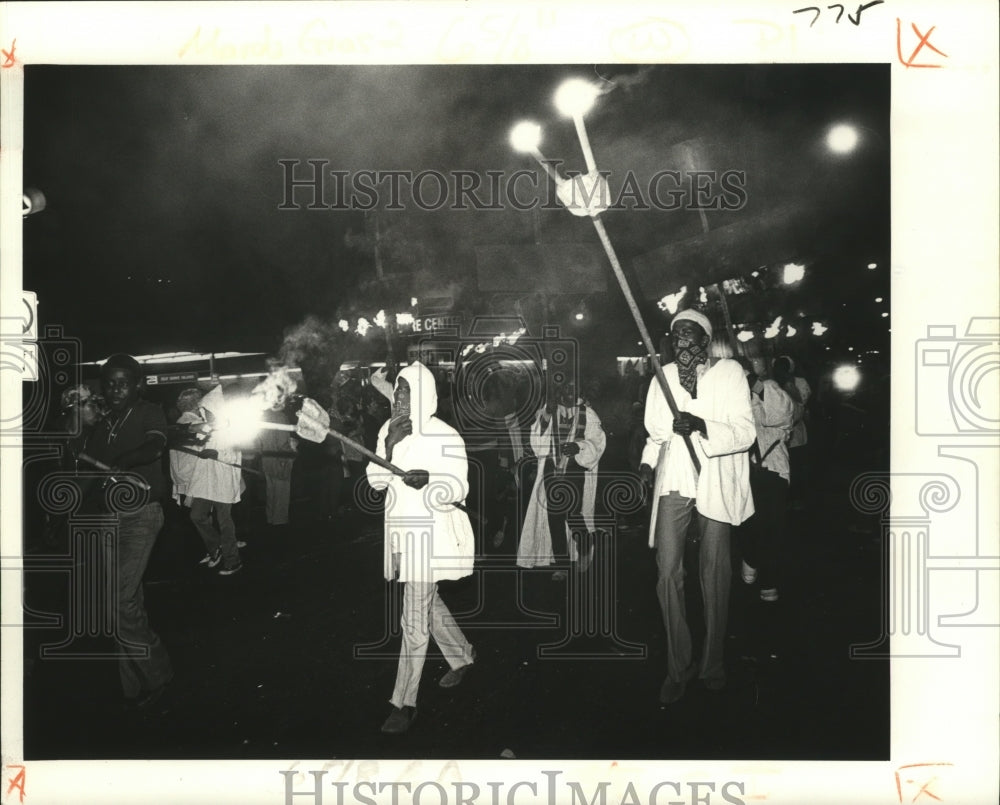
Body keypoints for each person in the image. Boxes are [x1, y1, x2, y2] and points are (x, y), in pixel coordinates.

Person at [639, 309, 755, 703]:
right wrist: (646, 463)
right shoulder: (663, 376)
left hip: (717, 477)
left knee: (715, 572)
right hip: (676, 476)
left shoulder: (730, 373)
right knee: (667, 571)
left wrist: (702, 425)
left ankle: (713, 664)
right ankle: (678, 666)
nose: (681, 341)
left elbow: (745, 431)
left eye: (690, 334)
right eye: (675, 335)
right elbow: (655, 431)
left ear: (705, 339)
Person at [364, 362, 476, 735]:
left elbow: (459, 488)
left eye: (405, 391)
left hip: (431, 537)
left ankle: (404, 702)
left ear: (424, 394)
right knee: (428, 603)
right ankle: (461, 656)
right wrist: (391, 447)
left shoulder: (446, 435)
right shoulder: (388, 429)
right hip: (401, 534)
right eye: (396, 390)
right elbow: (375, 482)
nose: (398, 397)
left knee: (412, 618)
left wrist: (431, 481)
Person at [80, 353, 174, 708]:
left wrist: (126, 460)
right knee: (120, 603)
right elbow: (89, 474)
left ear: (138, 385)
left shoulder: (149, 412)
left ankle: (159, 675)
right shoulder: (102, 424)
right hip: (107, 517)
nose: (115, 389)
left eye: (123, 383)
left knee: (119, 601)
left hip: (141, 515)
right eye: (109, 383)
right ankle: (132, 685)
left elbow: (155, 444)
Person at [517, 376, 606, 578]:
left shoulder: (588, 414)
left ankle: (584, 544)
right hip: (551, 469)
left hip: (575, 470)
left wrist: (579, 447)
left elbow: (598, 442)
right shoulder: (549, 411)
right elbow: (537, 443)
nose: (568, 393)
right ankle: (562, 564)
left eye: (573, 389)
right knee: (554, 515)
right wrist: (547, 414)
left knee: (573, 512)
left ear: (580, 393)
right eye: (565, 389)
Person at [735, 357, 795, 602]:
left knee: (773, 527)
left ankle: (769, 579)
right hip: (743, 469)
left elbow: (781, 415)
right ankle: (750, 556)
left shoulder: (769, 388)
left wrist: (756, 386)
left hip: (772, 469)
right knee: (746, 521)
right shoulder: (732, 396)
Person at [186, 385, 246, 575]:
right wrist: (197, 430)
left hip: (223, 482)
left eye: (209, 412)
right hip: (205, 482)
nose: (206, 415)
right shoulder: (206, 428)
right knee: (196, 516)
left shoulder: (232, 430)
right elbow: (190, 431)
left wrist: (216, 453)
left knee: (224, 522)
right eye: (204, 412)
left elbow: (234, 456)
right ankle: (215, 547)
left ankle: (233, 560)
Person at [772, 355, 811, 508]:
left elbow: (802, 402)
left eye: (783, 366)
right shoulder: (772, 385)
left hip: (796, 433)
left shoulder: (799, 383)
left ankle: (797, 498)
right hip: (779, 436)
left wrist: (790, 388)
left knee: (797, 465)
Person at [169, 387, 204, 508]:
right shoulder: (197, 425)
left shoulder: (179, 423)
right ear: (198, 404)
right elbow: (199, 461)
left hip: (181, 482)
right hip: (194, 485)